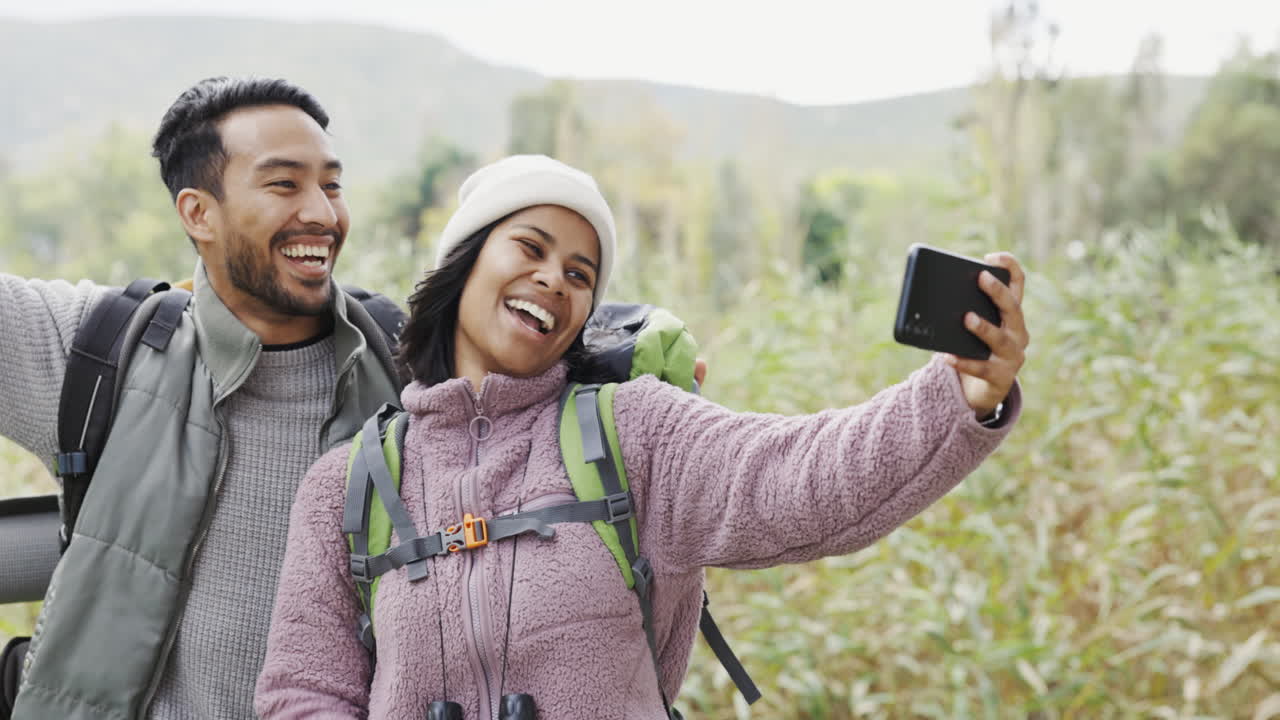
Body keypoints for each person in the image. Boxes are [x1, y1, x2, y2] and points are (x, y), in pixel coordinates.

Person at [254, 154, 1029, 718]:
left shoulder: (635, 432)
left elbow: (803, 478)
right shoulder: (346, 485)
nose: (555, 279)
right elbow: (303, 695)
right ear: (463, 262)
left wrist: (956, 395)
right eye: (529, 248)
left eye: (581, 272)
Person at [1, 76, 404, 719]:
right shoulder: (101, 351)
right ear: (198, 213)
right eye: (284, 184)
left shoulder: (411, 365)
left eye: (331, 184)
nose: (324, 215)